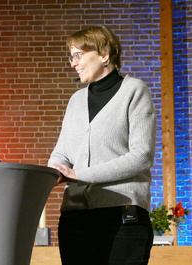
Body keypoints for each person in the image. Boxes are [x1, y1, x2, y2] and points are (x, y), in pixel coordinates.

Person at [48, 25, 156, 265]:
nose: (73, 62)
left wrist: (79, 175)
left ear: (104, 54)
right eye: (71, 56)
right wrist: (54, 170)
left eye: (78, 55)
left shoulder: (134, 91)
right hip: (75, 219)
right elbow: (62, 152)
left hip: (122, 216)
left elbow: (141, 156)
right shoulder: (76, 101)